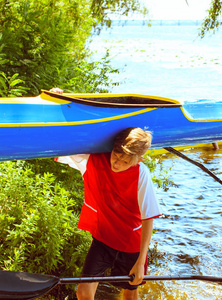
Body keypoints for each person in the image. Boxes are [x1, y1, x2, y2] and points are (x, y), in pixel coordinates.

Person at [51, 86, 161, 300]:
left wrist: (140, 261)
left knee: (130, 294)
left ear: (138, 160)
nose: (117, 164)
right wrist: (61, 104)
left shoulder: (141, 174)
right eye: (116, 155)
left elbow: (148, 219)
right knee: (83, 291)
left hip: (132, 245)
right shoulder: (93, 160)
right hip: (103, 239)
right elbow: (61, 144)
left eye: (125, 161)